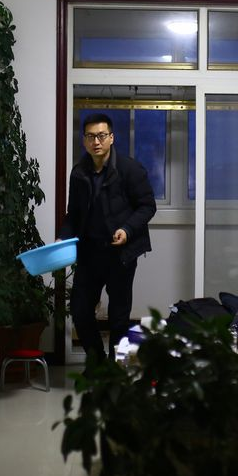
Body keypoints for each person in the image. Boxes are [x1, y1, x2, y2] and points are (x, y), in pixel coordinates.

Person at [58, 113, 157, 363]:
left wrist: (127, 229)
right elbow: (73, 214)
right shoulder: (78, 173)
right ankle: (97, 362)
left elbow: (147, 206)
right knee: (80, 310)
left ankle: (116, 368)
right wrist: (63, 238)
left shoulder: (130, 169)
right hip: (90, 253)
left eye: (102, 136)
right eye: (91, 136)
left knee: (118, 317)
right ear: (84, 140)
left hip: (121, 255)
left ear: (111, 138)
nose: (96, 142)